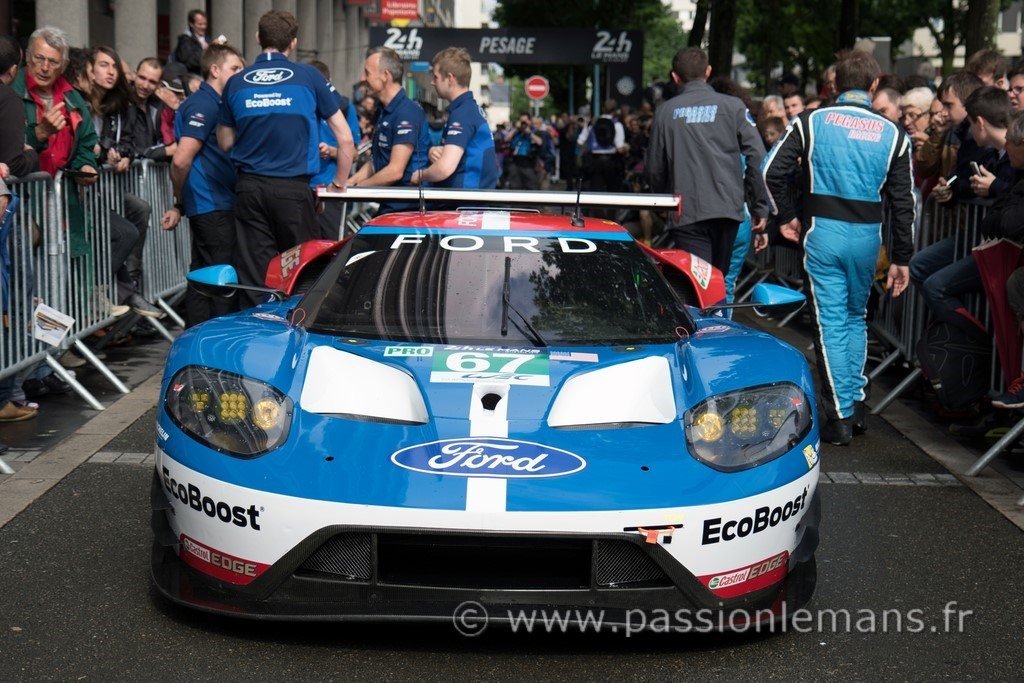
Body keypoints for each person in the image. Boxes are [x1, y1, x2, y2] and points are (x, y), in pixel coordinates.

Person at [763, 50, 915, 446]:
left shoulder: (811, 121)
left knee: (830, 323)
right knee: (854, 319)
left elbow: (770, 172)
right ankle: (856, 405)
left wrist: (787, 217)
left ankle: (840, 417)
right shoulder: (894, 134)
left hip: (822, 234)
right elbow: (904, 202)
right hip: (868, 238)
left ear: (833, 85)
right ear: (875, 85)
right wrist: (903, 258)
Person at [217, 9, 354, 306]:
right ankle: (297, 337)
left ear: (257, 38)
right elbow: (345, 139)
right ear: (293, 42)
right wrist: (338, 185)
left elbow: (225, 141)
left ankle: (257, 339)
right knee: (302, 272)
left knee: (255, 277)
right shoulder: (309, 77)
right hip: (293, 191)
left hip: (250, 188)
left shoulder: (236, 82)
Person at [646, 47, 768, 277]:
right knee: (717, 281)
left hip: (686, 210)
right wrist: (759, 204)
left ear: (675, 77)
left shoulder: (665, 112)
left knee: (697, 286)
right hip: (727, 210)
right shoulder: (733, 107)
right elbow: (757, 156)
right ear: (708, 71)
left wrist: (664, 199)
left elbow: (654, 168)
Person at [910, 86, 1017, 321]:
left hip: (1002, 248)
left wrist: (995, 187)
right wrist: (950, 194)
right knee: (920, 266)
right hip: (979, 239)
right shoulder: (989, 155)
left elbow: (1014, 195)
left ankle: (971, 348)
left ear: (978, 122)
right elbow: (963, 182)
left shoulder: (1011, 156)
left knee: (936, 286)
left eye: (968, 122)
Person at [161, 43, 244, 327]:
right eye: (235, 68)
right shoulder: (205, 103)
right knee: (221, 280)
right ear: (215, 70)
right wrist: (179, 198)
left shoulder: (215, 103)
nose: (239, 74)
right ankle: (215, 348)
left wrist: (180, 203)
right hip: (212, 204)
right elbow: (181, 159)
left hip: (213, 202)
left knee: (202, 276)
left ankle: (197, 341)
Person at [348, 46, 429, 213]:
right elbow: (375, 162)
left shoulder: (407, 112)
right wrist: (350, 183)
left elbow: (395, 171)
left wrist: (358, 189)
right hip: (389, 205)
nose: (362, 78)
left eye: (367, 72)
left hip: (407, 210)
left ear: (385, 76)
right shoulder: (383, 110)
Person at [410, 47, 496, 190]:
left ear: (450, 78)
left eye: (436, 77)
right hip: (468, 203)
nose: (432, 82)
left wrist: (419, 175)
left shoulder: (462, 114)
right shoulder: (468, 109)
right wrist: (437, 151)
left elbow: (444, 168)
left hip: (465, 206)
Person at [308, 58, 360, 239]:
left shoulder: (344, 108)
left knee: (332, 248)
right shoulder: (300, 106)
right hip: (302, 190)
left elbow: (353, 154)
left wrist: (330, 151)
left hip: (331, 191)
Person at [503, 113, 542, 190]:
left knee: (531, 186)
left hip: (528, 163)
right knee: (515, 187)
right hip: (515, 162)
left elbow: (540, 142)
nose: (523, 124)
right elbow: (506, 139)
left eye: (525, 121)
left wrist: (529, 132)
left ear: (529, 121)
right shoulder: (516, 132)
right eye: (521, 121)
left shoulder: (533, 130)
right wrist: (515, 128)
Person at [171, 9, 210, 76]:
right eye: (200, 24)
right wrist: (205, 51)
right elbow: (187, 61)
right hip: (191, 76)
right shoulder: (185, 40)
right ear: (191, 24)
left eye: (205, 24)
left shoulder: (207, 39)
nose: (203, 27)